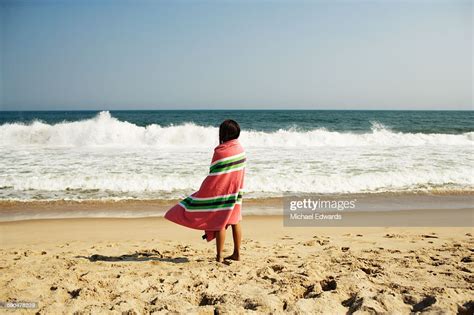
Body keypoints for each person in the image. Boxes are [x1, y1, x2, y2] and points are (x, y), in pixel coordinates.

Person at [165, 119, 245, 262]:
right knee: (235, 221)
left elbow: (215, 174)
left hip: (223, 192)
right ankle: (237, 254)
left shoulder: (220, 152)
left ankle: (219, 256)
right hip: (236, 191)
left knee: (220, 221)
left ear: (224, 133)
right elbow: (237, 172)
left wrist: (207, 190)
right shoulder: (241, 150)